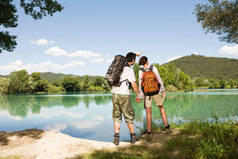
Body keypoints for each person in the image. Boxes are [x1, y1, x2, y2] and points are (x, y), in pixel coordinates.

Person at [111, 52, 141, 145]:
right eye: (134, 60)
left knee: (116, 116)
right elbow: (134, 84)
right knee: (128, 116)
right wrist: (138, 95)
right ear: (132, 61)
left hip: (114, 94)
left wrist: (135, 54)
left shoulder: (117, 67)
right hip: (124, 94)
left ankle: (116, 139)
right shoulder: (129, 69)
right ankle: (133, 137)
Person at [138, 56, 170, 135]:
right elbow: (159, 79)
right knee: (161, 108)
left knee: (148, 112)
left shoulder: (140, 71)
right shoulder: (153, 68)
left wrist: (140, 95)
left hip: (147, 94)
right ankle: (167, 126)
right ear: (147, 61)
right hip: (156, 91)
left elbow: (140, 84)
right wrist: (162, 90)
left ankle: (149, 131)